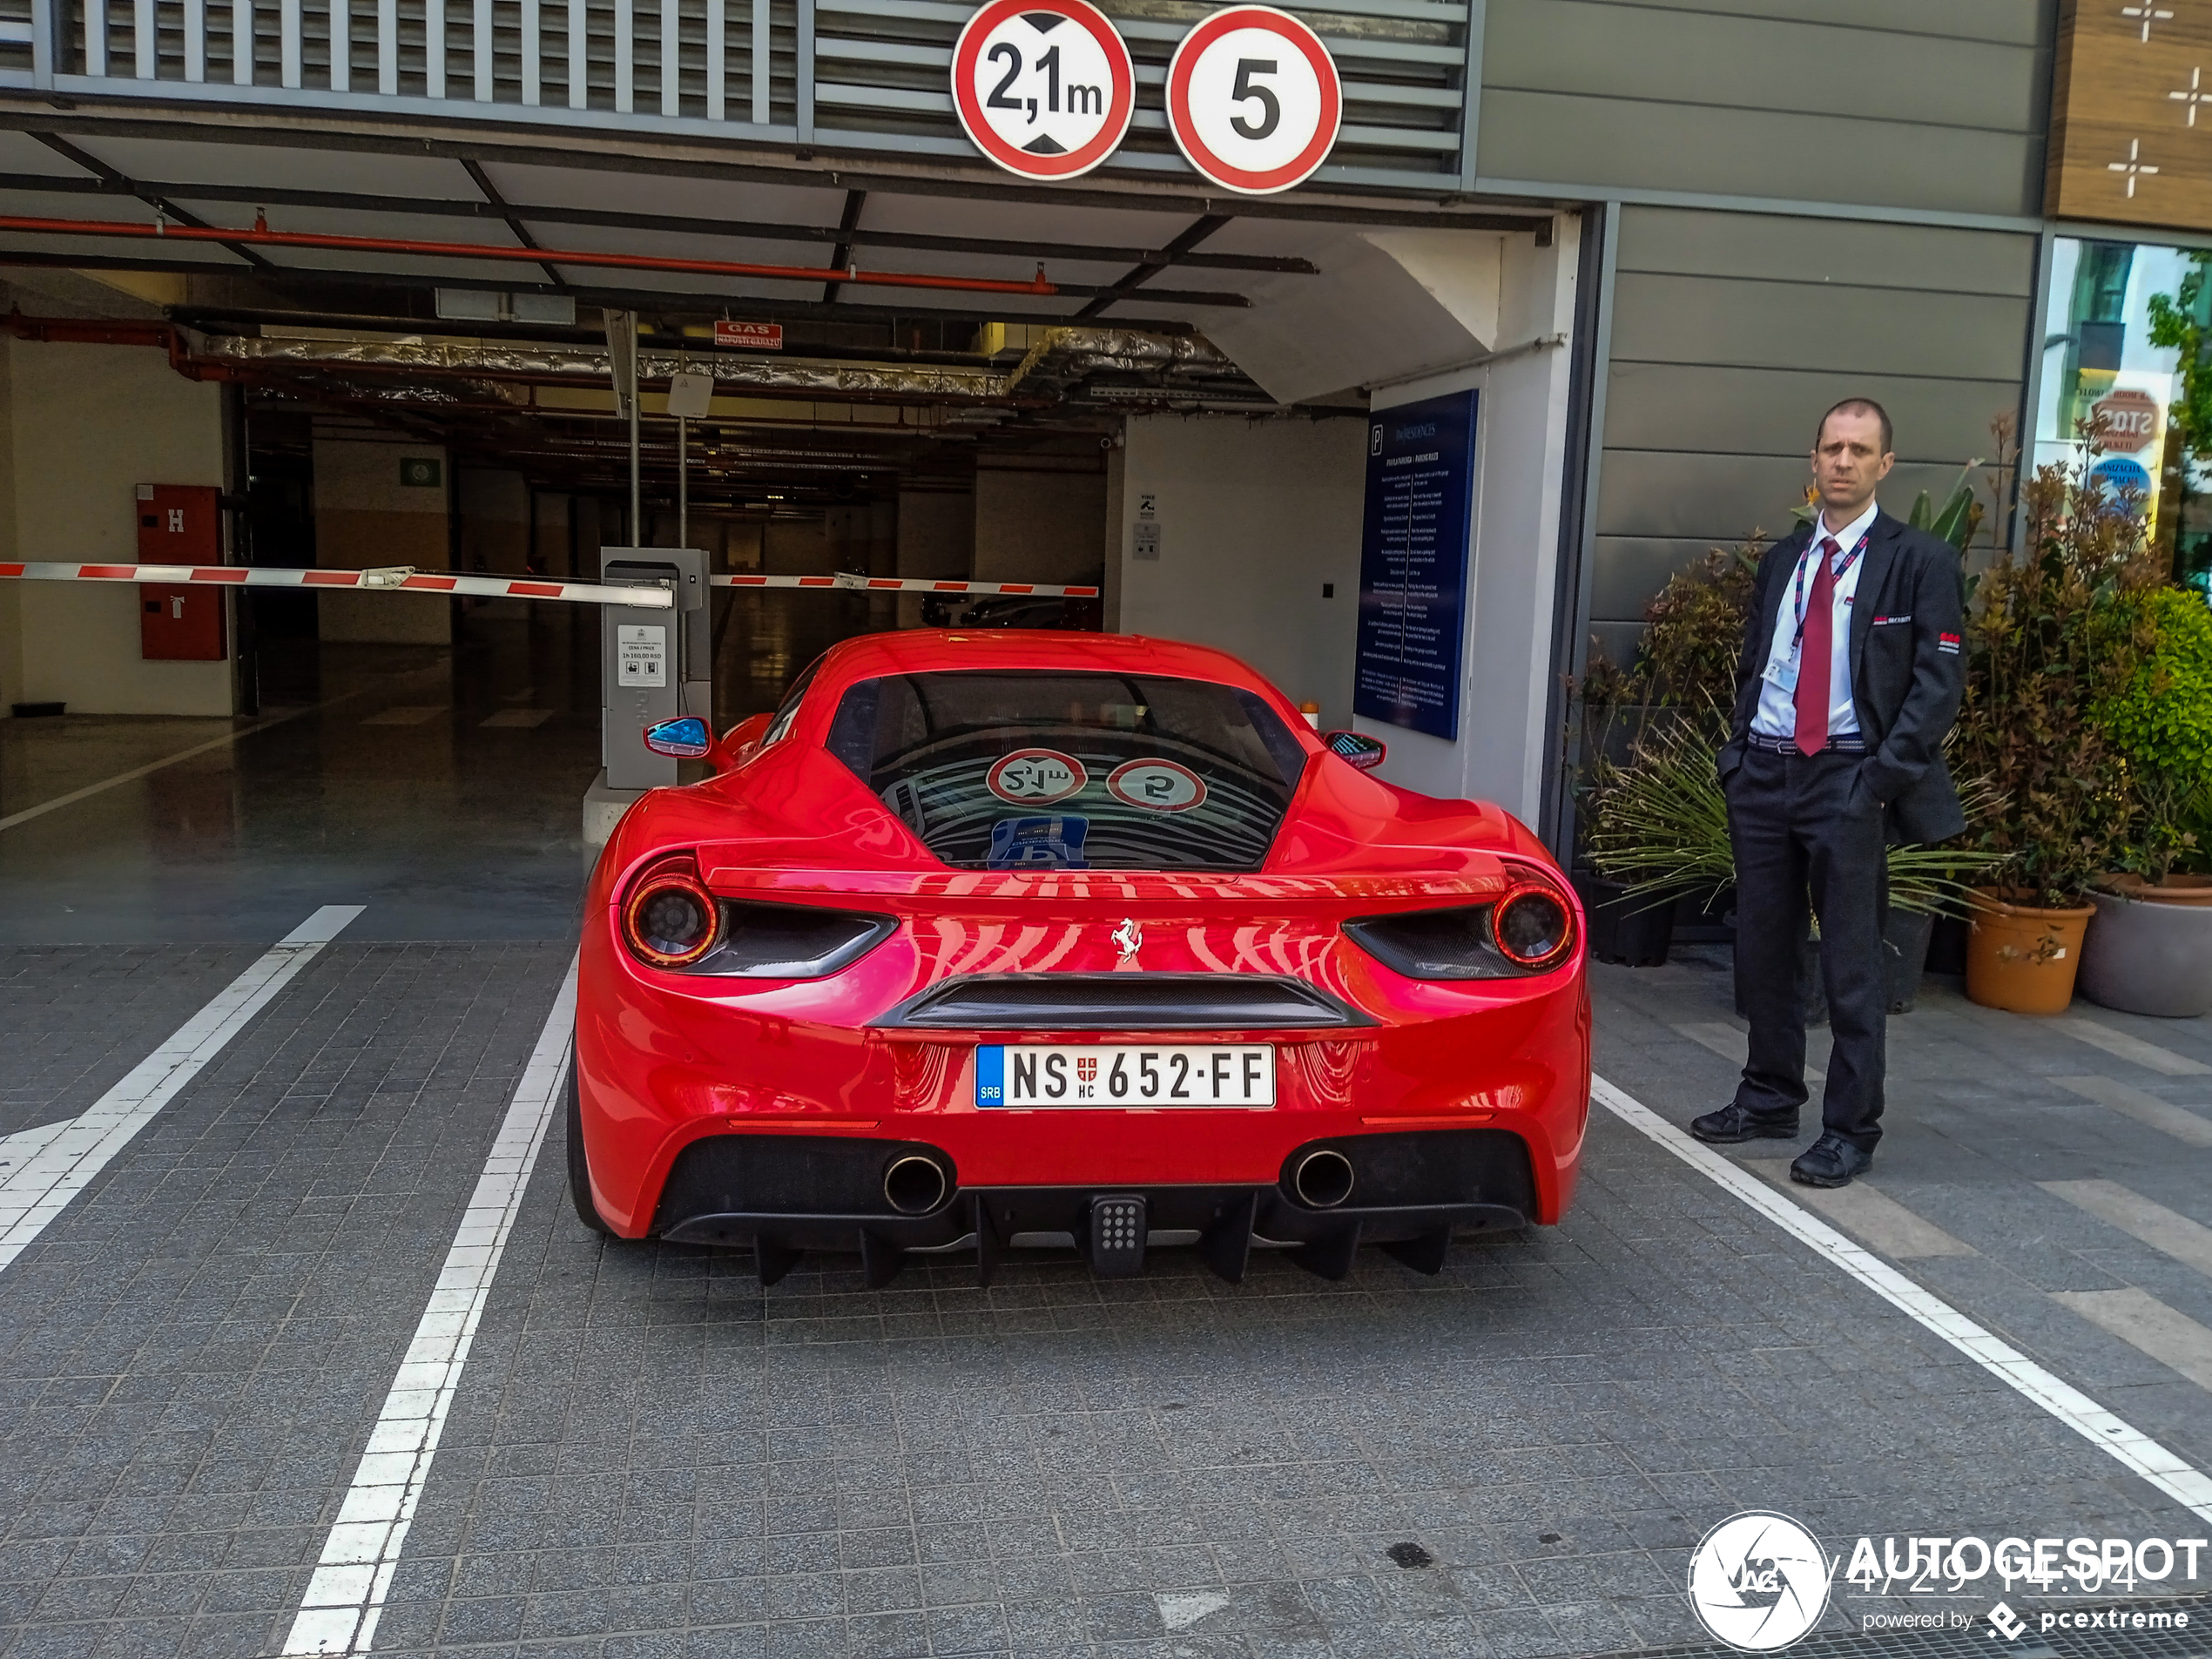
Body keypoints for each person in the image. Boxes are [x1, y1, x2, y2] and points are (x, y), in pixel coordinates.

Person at [1691, 399, 1966, 1187]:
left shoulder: (1920, 561)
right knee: (1765, 949)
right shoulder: (1785, 559)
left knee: (1850, 964)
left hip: (1847, 776)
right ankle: (1770, 1095)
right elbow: (1756, 660)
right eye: (1831, 448)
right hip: (1766, 772)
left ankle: (1849, 1127)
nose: (1842, 462)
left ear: (1885, 465)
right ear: (1811, 462)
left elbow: (1937, 687)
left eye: (1860, 450)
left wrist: (1877, 780)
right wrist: (1738, 752)